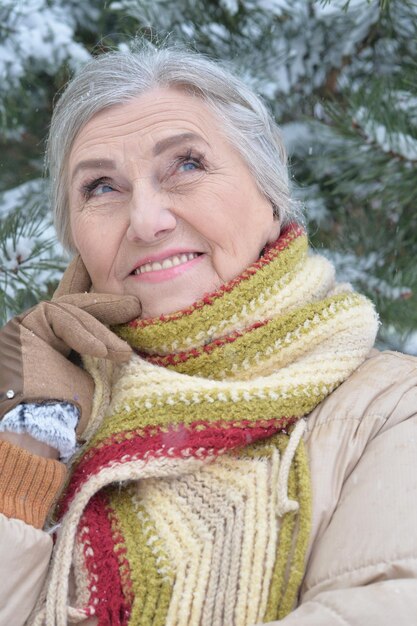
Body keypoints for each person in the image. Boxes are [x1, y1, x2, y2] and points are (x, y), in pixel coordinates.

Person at [0, 43, 416, 626]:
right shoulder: (46, 429)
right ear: (77, 247)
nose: (147, 220)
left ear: (271, 197)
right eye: (100, 187)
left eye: (187, 165)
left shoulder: (394, 411)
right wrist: (25, 450)